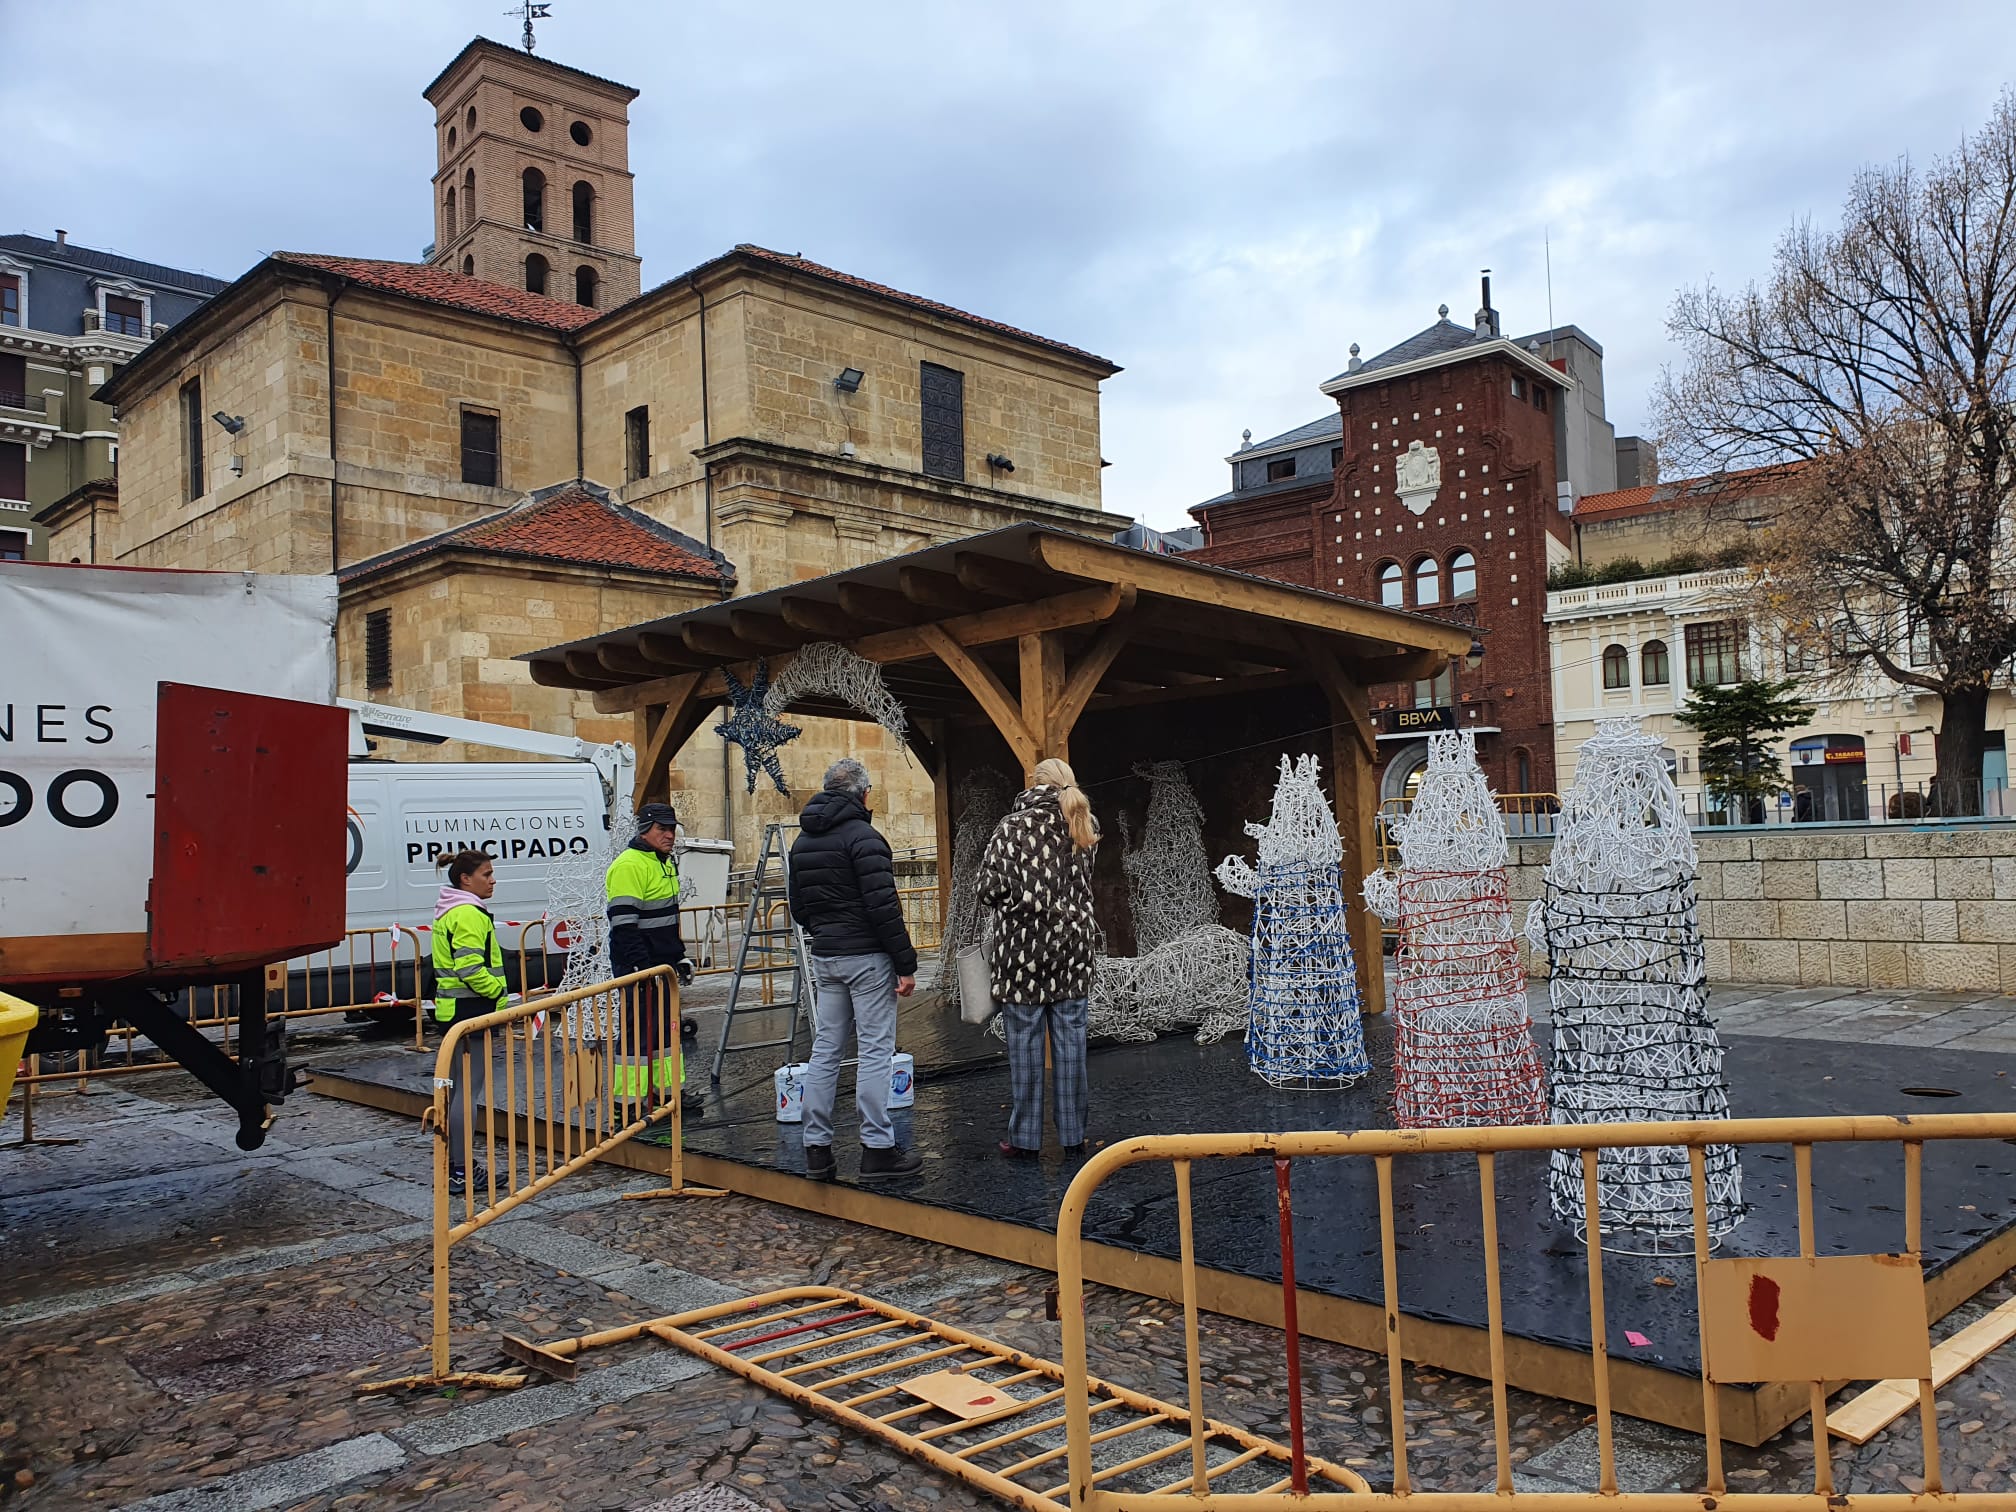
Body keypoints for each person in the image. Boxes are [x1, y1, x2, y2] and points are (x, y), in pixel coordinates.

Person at [787, 758, 920, 1181]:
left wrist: (826, 932)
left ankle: (816, 1149)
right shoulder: (866, 838)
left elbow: (799, 907)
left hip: (826, 955)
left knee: (825, 1051)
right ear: (863, 795)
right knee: (875, 1052)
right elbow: (884, 908)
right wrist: (905, 963)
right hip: (867, 957)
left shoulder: (802, 842)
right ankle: (878, 1148)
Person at [976, 758, 1100, 1159]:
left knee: (1025, 1049)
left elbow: (987, 889)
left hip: (1022, 955)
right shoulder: (1083, 823)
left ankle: (1025, 1138)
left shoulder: (1010, 828)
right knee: (1071, 1047)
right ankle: (1073, 1135)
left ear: (1035, 784)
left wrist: (1019, 901)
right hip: (1074, 951)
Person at [605, 802, 701, 1115]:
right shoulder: (629, 865)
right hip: (640, 967)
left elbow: (666, 922)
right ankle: (629, 1105)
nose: (670, 834)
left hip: (661, 966)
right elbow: (624, 926)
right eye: (662, 828)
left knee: (666, 1032)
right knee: (637, 1037)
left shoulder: (663, 862)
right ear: (645, 830)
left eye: (672, 828)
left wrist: (679, 957)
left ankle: (666, 1095)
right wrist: (641, 967)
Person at [432, 848, 506, 1196]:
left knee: (456, 1092)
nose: (493, 880)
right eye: (486, 874)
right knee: (467, 1094)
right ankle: (461, 1170)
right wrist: (498, 995)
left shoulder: (450, 910)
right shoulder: (469, 914)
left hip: (453, 1013)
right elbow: (470, 968)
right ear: (466, 879)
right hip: (471, 1010)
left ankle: (457, 1165)